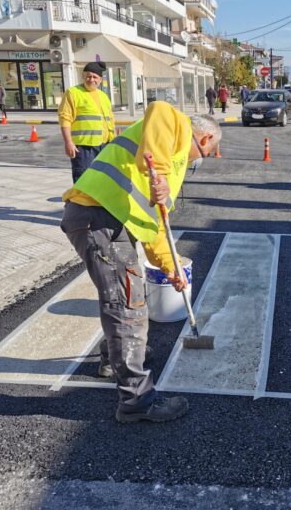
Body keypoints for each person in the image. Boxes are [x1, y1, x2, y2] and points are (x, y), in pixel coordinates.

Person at [60, 102, 222, 423]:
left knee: (125, 299)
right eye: (210, 151)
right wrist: (157, 174)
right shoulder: (174, 126)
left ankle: (111, 357)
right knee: (128, 306)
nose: (201, 161)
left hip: (106, 219)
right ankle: (136, 399)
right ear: (204, 140)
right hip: (99, 215)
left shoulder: (172, 169)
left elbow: (155, 227)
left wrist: (171, 269)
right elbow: (159, 109)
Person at [58, 61, 115, 183]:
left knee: (101, 180)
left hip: (104, 146)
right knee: (84, 181)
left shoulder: (103, 96)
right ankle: (80, 203)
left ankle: (97, 202)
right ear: (83, 76)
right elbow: (65, 118)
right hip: (84, 148)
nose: (91, 79)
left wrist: (113, 139)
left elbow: (109, 120)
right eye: (88, 76)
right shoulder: (73, 93)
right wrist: (68, 142)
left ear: (100, 79)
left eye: (95, 77)